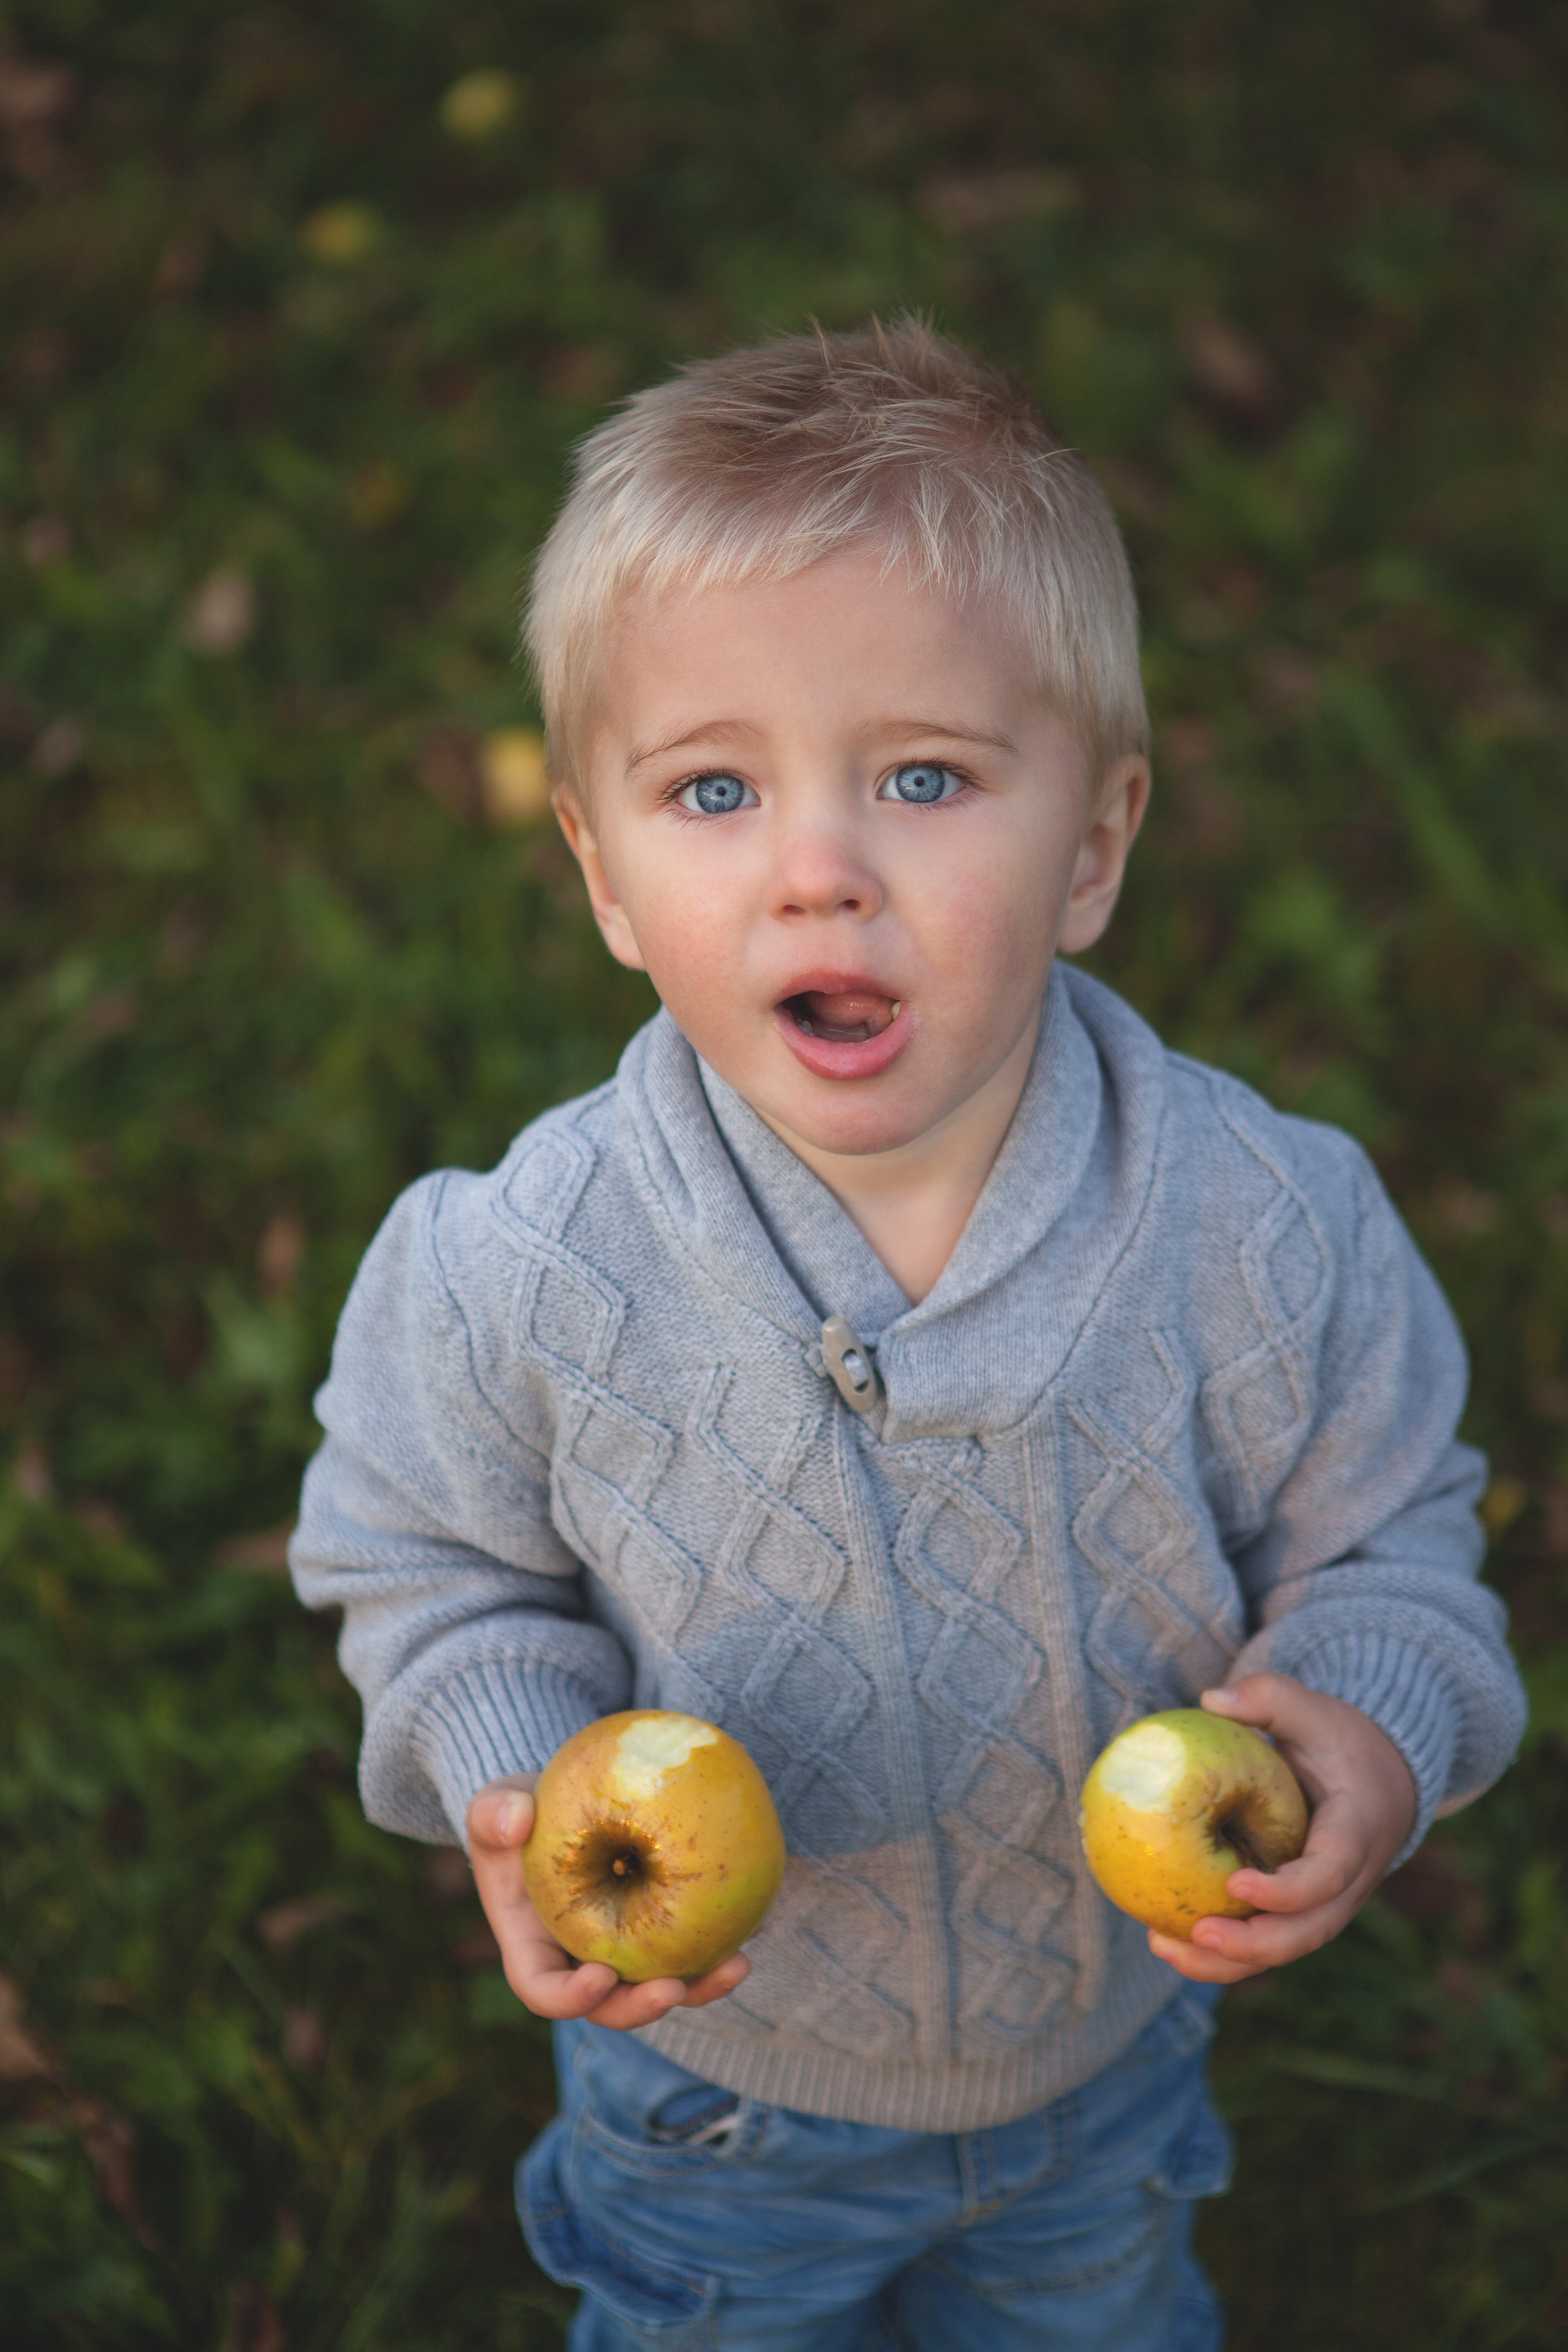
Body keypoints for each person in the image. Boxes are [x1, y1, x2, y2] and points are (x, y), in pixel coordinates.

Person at [289, 320, 1526, 2350]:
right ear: (600, 878)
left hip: (1105, 2065)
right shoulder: (519, 1269)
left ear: (1096, 846)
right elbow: (423, 1560)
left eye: (925, 776)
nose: (817, 873)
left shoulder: (1269, 1228)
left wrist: (1370, 1723)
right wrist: (518, 1774)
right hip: (714, 2091)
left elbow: (1392, 1535)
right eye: (710, 790)